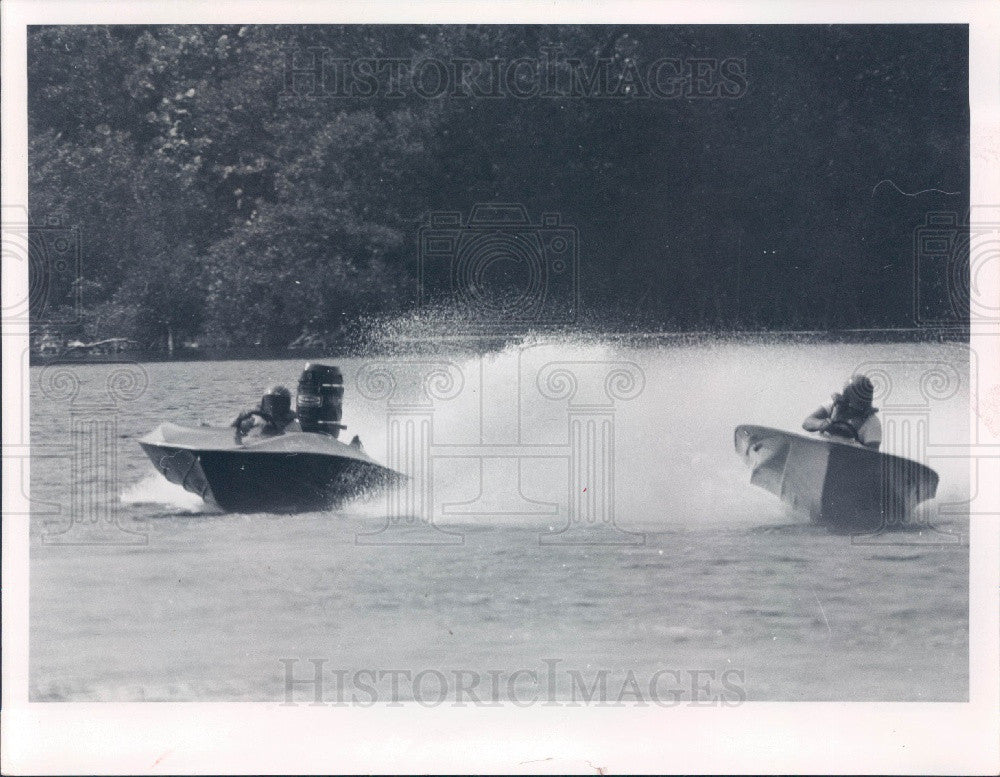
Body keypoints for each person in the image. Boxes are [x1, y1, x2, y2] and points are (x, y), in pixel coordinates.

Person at [802, 374, 882, 450]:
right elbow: (807, 423)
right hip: (823, 449)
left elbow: (872, 455)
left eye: (860, 402)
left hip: (849, 458)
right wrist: (824, 424)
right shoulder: (833, 406)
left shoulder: (872, 422)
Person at [232, 385, 300, 443]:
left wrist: (268, 420)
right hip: (252, 449)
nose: (273, 406)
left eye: (278, 403)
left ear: (286, 405)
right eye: (270, 402)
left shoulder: (292, 424)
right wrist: (240, 419)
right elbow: (231, 434)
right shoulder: (255, 420)